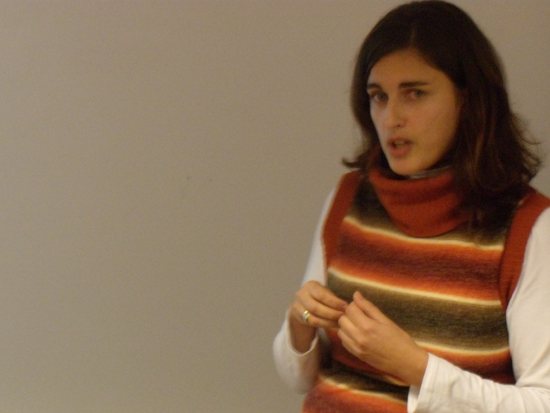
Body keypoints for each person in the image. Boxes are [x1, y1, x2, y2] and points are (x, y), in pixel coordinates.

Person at [272, 1, 550, 412]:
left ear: (468, 100)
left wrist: (416, 367)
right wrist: (300, 326)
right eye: (378, 96)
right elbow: (299, 378)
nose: (390, 118)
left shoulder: (529, 227)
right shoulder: (349, 198)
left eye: (414, 94)